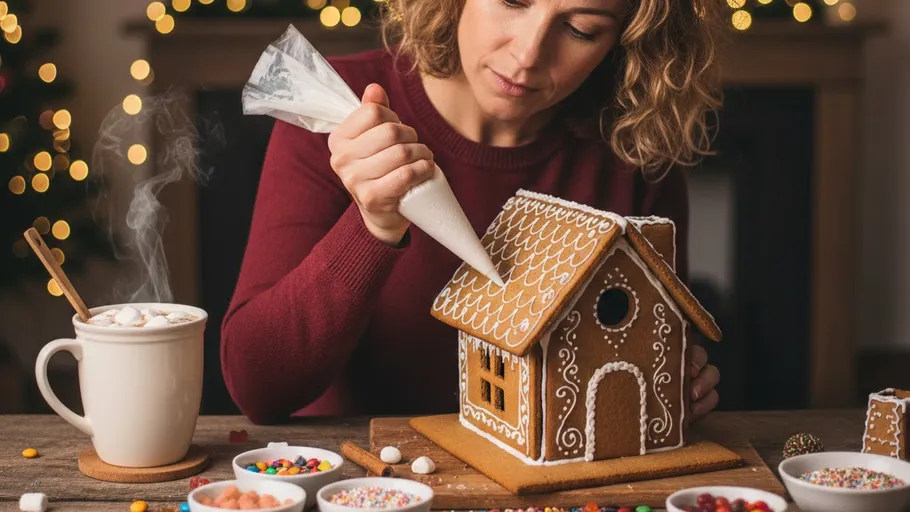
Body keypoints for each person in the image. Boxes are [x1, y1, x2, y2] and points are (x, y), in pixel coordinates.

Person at [221, 0, 725, 425]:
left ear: (627, 40)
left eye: (580, 29)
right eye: (512, 0)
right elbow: (258, 387)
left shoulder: (634, 148)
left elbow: (639, 353)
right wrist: (374, 224)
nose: (527, 56)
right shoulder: (342, 114)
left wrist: (671, 383)